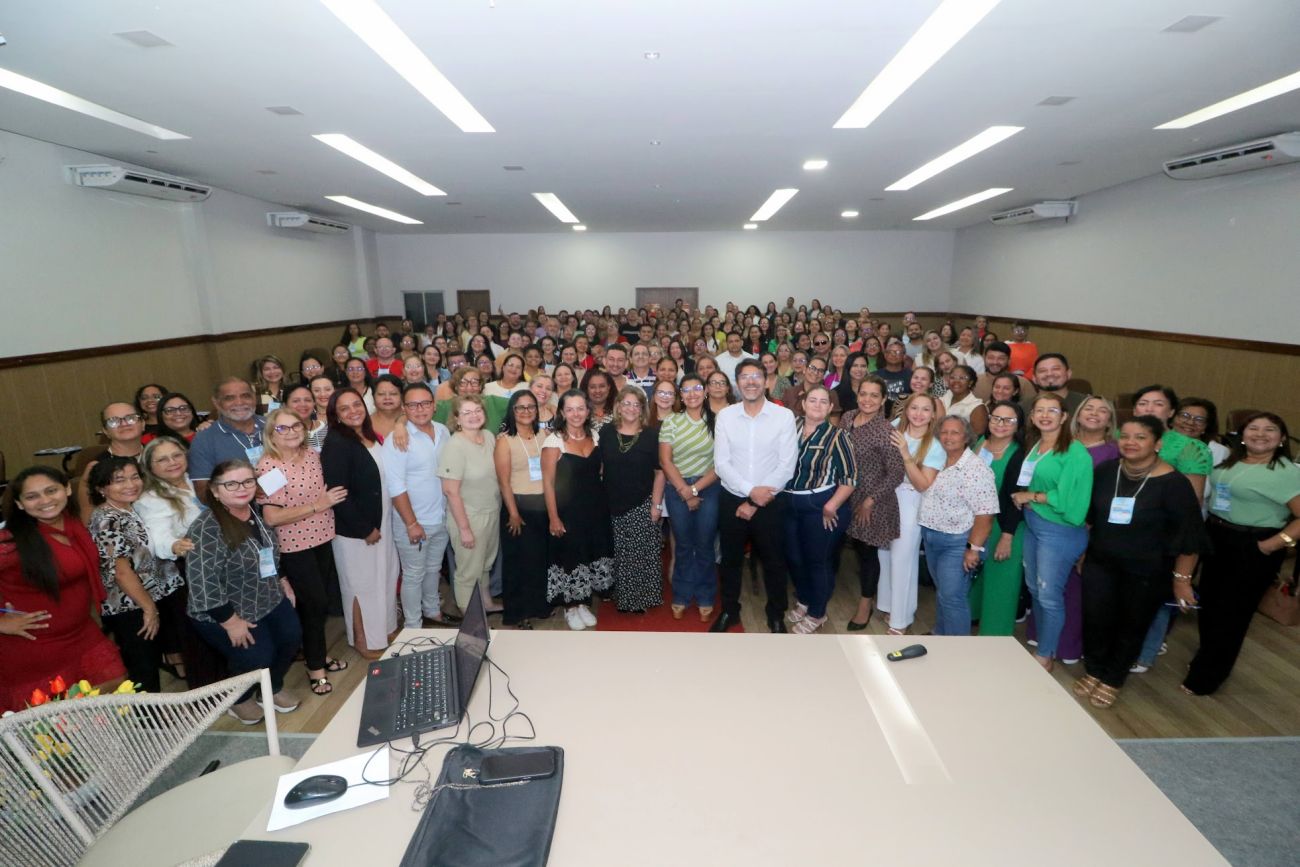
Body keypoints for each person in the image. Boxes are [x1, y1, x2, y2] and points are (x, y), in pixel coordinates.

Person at [1074, 417, 1205, 709]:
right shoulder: (1106, 471)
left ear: (1157, 444)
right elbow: (1092, 519)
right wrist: (1084, 553)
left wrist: (1182, 580)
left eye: (1141, 437)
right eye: (1126, 436)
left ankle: (1113, 678)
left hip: (1147, 569)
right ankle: (1094, 669)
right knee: (1095, 618)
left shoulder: (1174, 484)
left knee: (1131, 624)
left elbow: (1190, 537)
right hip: (1101, 561)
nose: (1130, 442)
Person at [1183, 412, 1300, 696]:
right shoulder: (1233, 461)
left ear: (1282, 438)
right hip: (1218, 536)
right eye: (1253, 428)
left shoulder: (1286, 472)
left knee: (1232, 615)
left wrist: (1273, 544)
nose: (1260, 434)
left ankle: (1207, 677)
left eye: (1269, 430)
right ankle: (1208, 658)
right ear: (1242, 435)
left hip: (1253, 545)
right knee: (1210, 605)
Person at [1, 467, 126, 712]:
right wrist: (2, 623)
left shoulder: (72, 523)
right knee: (52, 721)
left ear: (67, 489)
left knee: (112, 688)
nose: (45, 500)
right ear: (19, 504)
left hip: (82, 633)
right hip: (35, 647)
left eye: (51, 491)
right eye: (32, 496)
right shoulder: (10, 542)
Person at [186, 460, 302, 724]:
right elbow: (203, 583)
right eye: (231, 484)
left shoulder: (256, 511)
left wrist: (283, 580)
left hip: (266, 595)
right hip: (223, 610)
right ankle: (237, 698)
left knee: (291, 636)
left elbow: (269, 552)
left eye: (248, 481)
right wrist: (231, 622)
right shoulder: (206, 528)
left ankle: (271, 687)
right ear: (215, 491)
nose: (242, 488)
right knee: (258, 655)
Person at [256, 409, 348, 697]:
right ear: (271, 435)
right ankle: (315, 667)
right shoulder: (269, 467)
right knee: (313, 605)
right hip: (295, 547)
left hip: (323, 537)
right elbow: (271, 517)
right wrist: (318, 505)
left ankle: (315, 654)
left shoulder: (310, 455)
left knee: (319, 604)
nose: (291, 432)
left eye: (296, 425)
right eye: (282, 428)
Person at [710, 359, 798, 634]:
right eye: (744, 377)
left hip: (771, 500)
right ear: (737, 383)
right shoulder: (725, 416)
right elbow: (721, 464)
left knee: (774, 560)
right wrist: (750, 493)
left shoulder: (783, 416)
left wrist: (756, 499)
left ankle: (776, 614)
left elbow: (787, 465)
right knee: (730, 560)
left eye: (756, 376)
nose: (750, 382)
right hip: (733, 499)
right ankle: (729, 610)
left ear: (766, 380)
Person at [87, 456, 187, 694]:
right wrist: (149, 609)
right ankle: (146, 716)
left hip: (154, 594)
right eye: (119, 480)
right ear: (101, 488)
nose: (130, 484)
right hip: (131, 605)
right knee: (143, 669)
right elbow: (121, 572)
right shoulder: (107, 520)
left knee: (158, 659)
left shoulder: (130, 508)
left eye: (134, 477)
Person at [1011, 393, 1094, 672]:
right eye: (1040, 411)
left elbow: (1071, 499)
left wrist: (1031, 496)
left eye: (1052, 410)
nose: (1045, 415)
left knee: (1048, 595)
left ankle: (1046, 655)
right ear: (1032, 416)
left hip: (1059, 531)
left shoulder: (1075, 452)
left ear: (1064, 416)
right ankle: (1045, 643)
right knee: (1035, 588)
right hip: (1034, 524)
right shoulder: (1037, 444)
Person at [321, 389, 400, 661]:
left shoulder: (368, 435)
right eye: (344, 408)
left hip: (382, 521)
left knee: (384, 578)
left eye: (357, 404)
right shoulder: (337, 444)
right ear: (335, 415)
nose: (353, 411)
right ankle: (362, 639)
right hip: (357, 531)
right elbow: (338, 495)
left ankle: (384, 629)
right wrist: (364, 529)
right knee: (360, 587)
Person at [783, 386, 857, 634]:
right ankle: (804, 599)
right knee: (794, 557)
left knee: (818, 561)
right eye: (812, 400)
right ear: (803, 404)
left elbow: (850, 478)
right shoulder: (790, 429)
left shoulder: (838, 436)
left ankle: (817, 612)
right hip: (789, 503)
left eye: (823, 401)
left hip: (822, 507)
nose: (817, 405)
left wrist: (831, 505)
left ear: (830, 408)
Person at [382, 382, 455, 630]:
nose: (420, 409)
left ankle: (432, 612)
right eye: (412, 405)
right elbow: (396, 486)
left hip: (441, 517)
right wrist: (411, 523)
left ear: (434, 406)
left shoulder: (443, 431)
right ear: (404, 408)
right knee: (413, 574)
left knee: (433, 569)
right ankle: (413, 627)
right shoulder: (397, 439)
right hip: (413, 522)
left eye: (425, 403)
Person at [918, 417, 999, 636]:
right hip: (931, 536)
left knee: (953, 597)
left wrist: (973, 549)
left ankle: (958, 649)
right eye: (944, 432)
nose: (948, 437)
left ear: (966, 437)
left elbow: (985, 514)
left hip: (958, 542)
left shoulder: (976, 469)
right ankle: (941, 635)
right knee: (943, 592)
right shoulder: (937, 460)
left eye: (954, 432)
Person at [543, 390, 615, 630]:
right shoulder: (553, 441)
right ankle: (570, 607)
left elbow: (601, 471)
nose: (576, 414)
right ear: (562, 412)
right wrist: (553, 517)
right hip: (567, 510)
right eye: (570, 409)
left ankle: (583, 603)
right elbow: (548, 483)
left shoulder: (595, 435)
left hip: (595, 508)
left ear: (587, 411)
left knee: (588, 554)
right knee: (570, 556)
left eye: (580, 408)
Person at [134, 436, 203, 681]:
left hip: (221, 561)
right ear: (150, 467)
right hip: (188, 569)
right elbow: (158, 536)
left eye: (176, 455)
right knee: (198, 638)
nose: (172, 462)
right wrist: (173, 545)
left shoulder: (198, 480)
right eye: (162, 460)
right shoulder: (150, 499)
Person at [839, 377, 906, 630]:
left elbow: (896, 473)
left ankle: (865, 605)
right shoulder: (847, 418)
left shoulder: (887, 431)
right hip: (846, 494)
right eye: (863, 394)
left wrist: (870, 501)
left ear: (883, 399)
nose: (867, 399)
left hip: (873, 500)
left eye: (874, 395)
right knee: (853, 549)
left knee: (867, 554)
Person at [877, 393, 945, 634]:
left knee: (902, 559)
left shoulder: (935, 444)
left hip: (911, 499)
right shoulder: (896, 426)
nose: (918, 414)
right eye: (914, 408)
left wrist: (906, 455)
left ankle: (900, 619)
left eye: (925, 409)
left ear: (933, 415)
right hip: (886, 495)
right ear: (906, 410)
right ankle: (889, 605)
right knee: (884, 554)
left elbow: (923, 484)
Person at [659, 374, 720, 621]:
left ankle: (705, 595)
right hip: (677, 487)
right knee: (683, 544)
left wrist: (694, 490)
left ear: (705, 392)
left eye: (697, 388)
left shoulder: (718, 420)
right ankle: (682, 594)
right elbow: (665, 461)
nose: (692, 393)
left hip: (709, 485)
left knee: (705, 544)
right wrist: (685, 490)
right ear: (680, 396)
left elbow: (721, 463)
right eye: (686, 390)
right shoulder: (671, 421)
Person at [599, 387, 665, 613]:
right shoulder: (606, 432)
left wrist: (656, 505)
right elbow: (600, 465)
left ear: (642, 409)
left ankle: (641, 599)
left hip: (642, 502)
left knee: (641, 554)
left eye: (636, 404)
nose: (631, 408)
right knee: (620, 554)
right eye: (626, 403)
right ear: (618, 406)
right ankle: (624, 596)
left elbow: (660, 472)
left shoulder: (651, 435)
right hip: (611, 502)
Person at [438, 395, 502, 613]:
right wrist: (464, 529)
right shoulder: (455, 446)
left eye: (477, 410)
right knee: (468, 571)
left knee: (484, 565)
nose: (474, 416)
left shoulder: (488, 437)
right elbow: (450, 491)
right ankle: (470, 619)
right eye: (466, 412)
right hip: (468, 517)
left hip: (491, 511)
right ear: (457, 418)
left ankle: (486, 604)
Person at [494, 390, 554, 628]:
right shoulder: (504, 441)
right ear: (512, 410)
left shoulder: (545, 435)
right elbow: (503, 482)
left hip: (542, 505)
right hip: (518, 507)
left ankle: (539, 606)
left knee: (539, 559)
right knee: (518, 562)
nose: (526, 411)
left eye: (531, 407)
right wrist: (513, 513)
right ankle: (518, 613)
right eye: (520, 407)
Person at [969, 401, 1028, 636]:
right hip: (977, 522)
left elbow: (1016, 500)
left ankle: (994, 637)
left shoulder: (1019, 455)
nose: (1000, 424)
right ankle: (971, 621)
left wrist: (1007, 536)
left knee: (1000, 584)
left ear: (1018, 425)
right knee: (975, 579)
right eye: (996, 418)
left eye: (1008, 420)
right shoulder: (980, 443)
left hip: (1004, 526)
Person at [188, 378, 268, 500]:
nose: (239, 402)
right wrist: (244, 491)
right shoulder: (204, 440)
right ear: (216, 403)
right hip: (238, 510)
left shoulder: (275, 425)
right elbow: (203, 493)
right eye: (229, 398)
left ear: (254, 398)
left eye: (246, 396)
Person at [77, 402, 147, 518]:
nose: (124, 424)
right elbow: (88, 515)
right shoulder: (96, 466)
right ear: (105, 431)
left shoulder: (162, 456)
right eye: (113, 421)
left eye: (131, 418)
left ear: (143, 423)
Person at [1171, 397, 1230, 468]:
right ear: (1172, 418)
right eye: (1184, 416)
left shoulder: (1218, 450)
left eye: (1199, 420)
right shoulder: (1160, 442)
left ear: (1207, 426)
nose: (1190, 422)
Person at [940, 364, 988, 437]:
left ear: (970, 382)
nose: (956, 381)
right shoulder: (945, 396)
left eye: (962, 378)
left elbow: (976, 437)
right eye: (952, 377)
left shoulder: (977, 407)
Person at [714, 331, 754, 397]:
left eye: (736, 341)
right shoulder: (718, 360)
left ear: (741, 342)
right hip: (725, 397)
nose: (734, 344)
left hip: (749, 395)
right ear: (726, 344)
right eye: (731, 342)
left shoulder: (751, 359)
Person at [369, 375, 404, 442]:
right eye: (381, 394)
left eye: (393, 393)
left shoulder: (414, 420)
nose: (387, 398)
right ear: (373, 397)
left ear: (402, 397)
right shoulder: (365, 424)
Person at [307, 375, 335, 451]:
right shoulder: (305, 417)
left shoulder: (344, 415)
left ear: (334, 390)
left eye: (327, 389)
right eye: (317, 390)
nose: (323, 394)